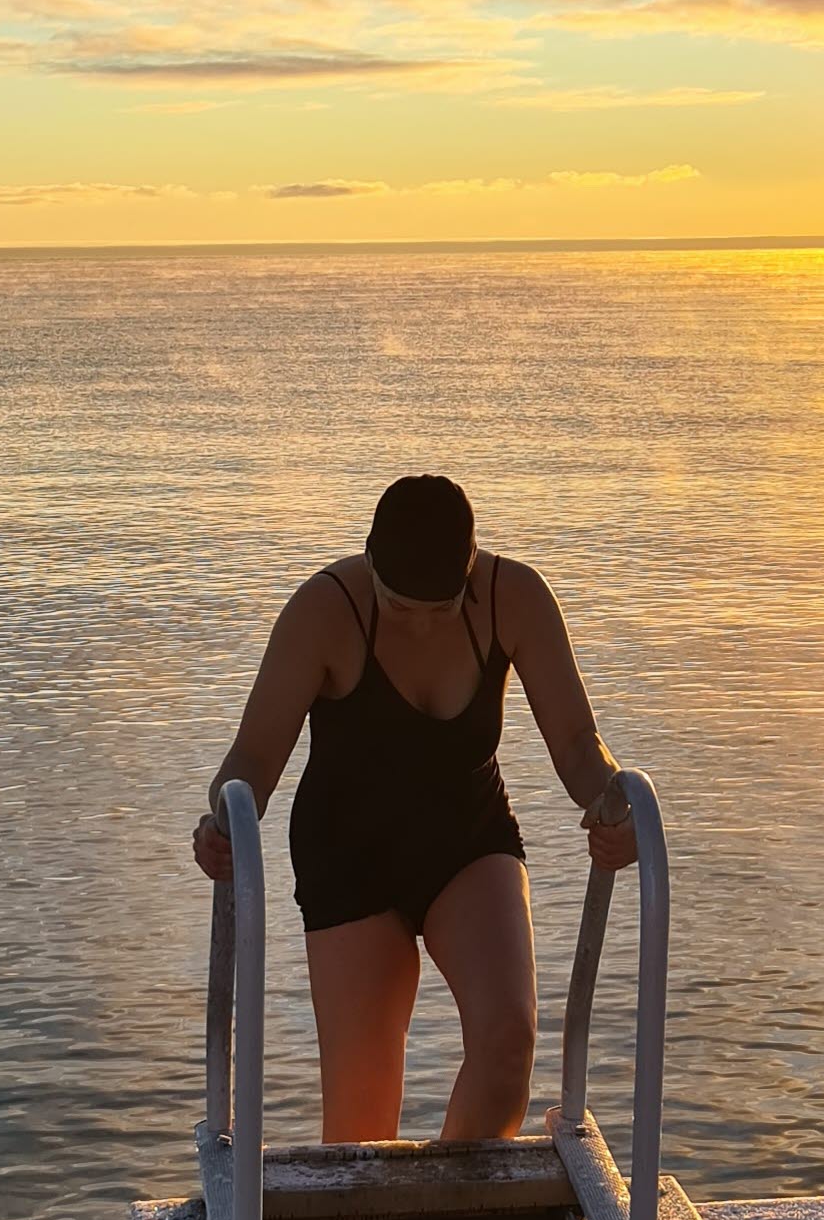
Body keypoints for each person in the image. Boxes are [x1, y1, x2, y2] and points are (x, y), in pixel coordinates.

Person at [193, 474, 638, 1142]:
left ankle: (452, 1215)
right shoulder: (326, 610)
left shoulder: (513, 598)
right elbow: (253, 758)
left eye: (439, 607)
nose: (420, 623)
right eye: (400, 607)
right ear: (369, 562)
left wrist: (611, 800)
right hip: (349, 858)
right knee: (361, 1123)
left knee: (507, 1046)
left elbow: (578, 742)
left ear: (470, 569)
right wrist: (226, 823)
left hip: (467, 838)